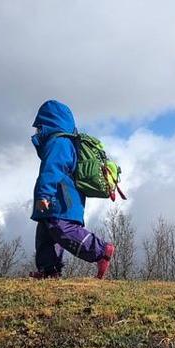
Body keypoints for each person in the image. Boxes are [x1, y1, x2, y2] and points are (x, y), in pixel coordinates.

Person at [30, 100, 115, 279]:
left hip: (61, 197)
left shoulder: (58, 142)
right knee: (46, 233)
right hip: (61, 195)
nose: (37, 130)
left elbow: (52, 170)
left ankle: (100, 251)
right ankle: (49, 271)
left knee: (61, 228)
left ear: (49, 123)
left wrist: (43, 194)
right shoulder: (64, 142)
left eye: (40, 126)